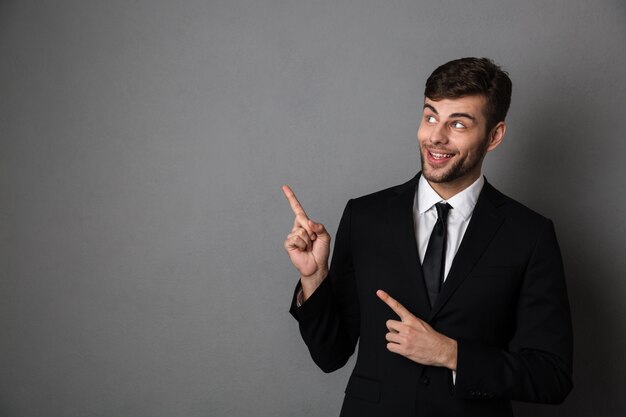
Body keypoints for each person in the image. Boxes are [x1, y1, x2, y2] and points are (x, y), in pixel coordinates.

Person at [282, 57, 573, 417]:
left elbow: (552, 376)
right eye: (430, 116)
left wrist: (450, 354)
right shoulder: (365, 217)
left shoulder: (529, 234)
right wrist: (313, 278)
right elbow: (330, 354)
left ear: (494, 135)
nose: (436, 136)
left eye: (458, 124)